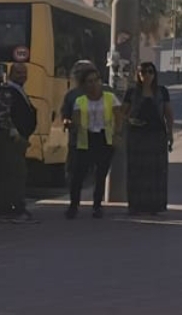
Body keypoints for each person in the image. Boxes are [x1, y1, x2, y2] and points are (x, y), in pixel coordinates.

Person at [66, 67, 123, 219]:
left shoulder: (110, 98)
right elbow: (76, 119)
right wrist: (73, 125)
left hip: (105, 139)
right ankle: (73, 205)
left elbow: (118, 117)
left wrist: (117, 134)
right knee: (78, 174)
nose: (93, 84)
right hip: (86, 139)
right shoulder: (80, 101)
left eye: (96, 81)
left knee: (100, 174)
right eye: (89, 82)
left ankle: (97, 206)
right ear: (84, 85)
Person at [0, 61, 37, 223]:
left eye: (24, 73)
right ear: (11, 73)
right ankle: (6, 208)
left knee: (15, 173)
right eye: (19, 73)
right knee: (11, 173)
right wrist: (15, 135)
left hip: (15, 138)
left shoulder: (17, 90)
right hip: (9, 139)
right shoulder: (6, 90)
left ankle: (10, 207)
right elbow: (3, 115)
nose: (23, 76)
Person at [122, 61, 174, 216]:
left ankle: (155, 205)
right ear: (138, 75)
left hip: (156, 135)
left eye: (150, 72)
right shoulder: (131, 93)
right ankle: (136, 205)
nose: (147, 75)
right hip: (137, 135)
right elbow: (123, 112)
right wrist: (129, 121)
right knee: (137, 170)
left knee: (156, 171)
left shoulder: (162, 91)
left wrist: (170, 134)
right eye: (143, 72)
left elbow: (168, 113)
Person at [61, 60, 99, 184]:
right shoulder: (72, 95)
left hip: (96, 138)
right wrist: (67, 122)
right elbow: (65, 114)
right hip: (77, 140)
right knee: (75, 172)